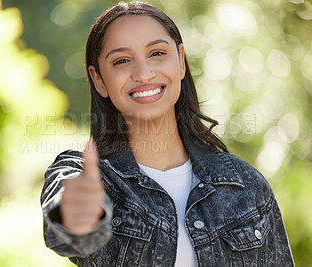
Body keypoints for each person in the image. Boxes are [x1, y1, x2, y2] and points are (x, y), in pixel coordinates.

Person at [40, 1, 295, 266]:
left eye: (157, 53)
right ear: (99, 80)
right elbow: (67, 233)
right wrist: (77, 217)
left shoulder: (246, 186)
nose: (144, 73)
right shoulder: (81, 174)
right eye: (122, 60)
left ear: (181, 61)